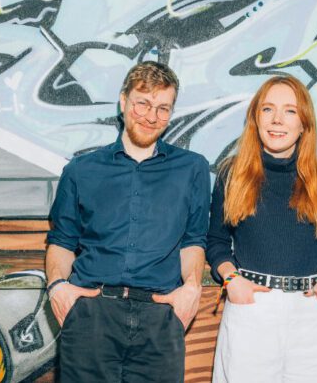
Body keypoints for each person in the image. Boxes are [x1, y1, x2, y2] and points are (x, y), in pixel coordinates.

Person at [45, 61, 211, 383]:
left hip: (161, 317)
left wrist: (192, 288)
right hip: (92, 314)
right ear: (123, 102)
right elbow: (62, 241)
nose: (151, 116)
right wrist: (57, 288)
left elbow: (193, 240)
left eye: (163, 108)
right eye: (143, 103)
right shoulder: (81, 170)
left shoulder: (192, 169)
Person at [206, 75, 317, 383]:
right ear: (255, 118)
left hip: (312, 311)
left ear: (304, 123)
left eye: (290, 111)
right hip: (251, 308)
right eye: (268, 109)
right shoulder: (232, 173)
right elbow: (216, 241)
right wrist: (232, 280)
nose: (277, 119)